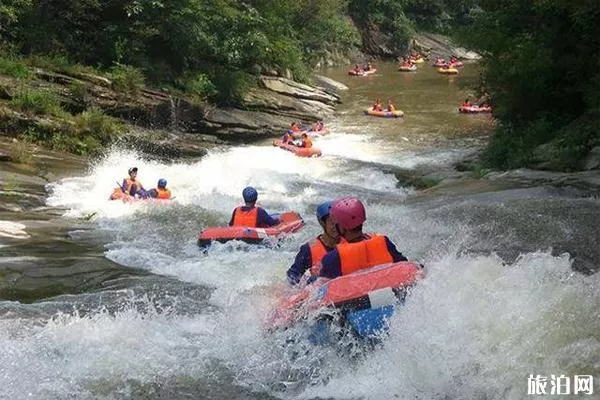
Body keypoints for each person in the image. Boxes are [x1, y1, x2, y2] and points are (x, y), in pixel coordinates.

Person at [315, 197, 408, 279]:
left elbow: (320, 288)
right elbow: (404, 265)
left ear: (342, 228)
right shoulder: (384, 242)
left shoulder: (333, 258)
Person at [286, 201, 342, 285]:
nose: (336, 227)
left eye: (338, 222)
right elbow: (293, 277)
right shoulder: (308, 249)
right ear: (322, 223)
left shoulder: (349, 243)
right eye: (331, 223)